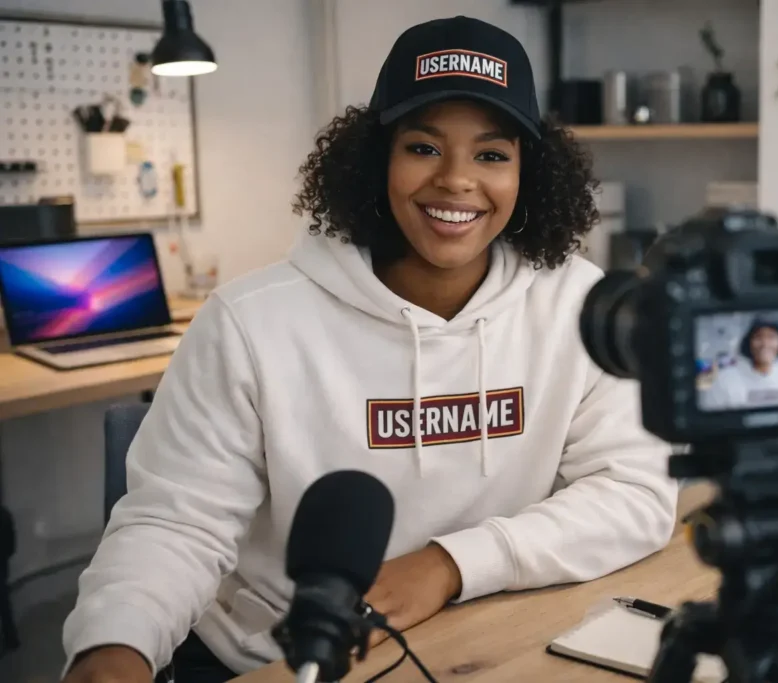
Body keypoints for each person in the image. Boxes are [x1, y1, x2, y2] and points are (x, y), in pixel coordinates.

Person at [61, 16, 677, 683]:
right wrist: (114, 645)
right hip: (275, 660)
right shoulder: (250, 322)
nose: (456, 180)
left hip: (480, 638)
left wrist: (451, 564)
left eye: (492, 155)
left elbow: (634, 493)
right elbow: (176, 525)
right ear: (377, 157)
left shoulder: (581, 307)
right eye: (423, 147)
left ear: (530, 171)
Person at [700, 319, 778, 410]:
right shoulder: (725, 378)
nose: (765, 344)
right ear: (749, 343)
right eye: (758, 337)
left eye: (771, 337)